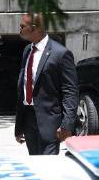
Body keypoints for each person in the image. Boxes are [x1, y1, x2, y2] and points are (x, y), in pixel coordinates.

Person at [15, 12, 79, 155]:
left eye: (22, 26)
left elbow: (70, 91)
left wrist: (67, 124)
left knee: (48, 166)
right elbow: (23, 88)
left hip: (50, 121)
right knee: (34, 164)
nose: (19, 29)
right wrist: (19, 126)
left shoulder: (61, 54)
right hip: (28, 118)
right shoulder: (27, 51)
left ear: (34, 28)